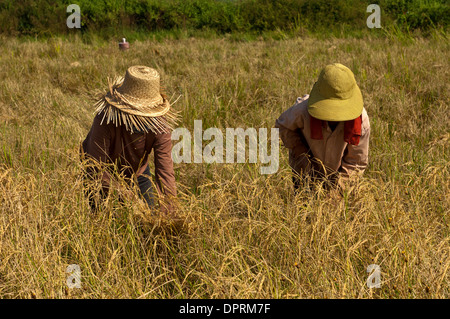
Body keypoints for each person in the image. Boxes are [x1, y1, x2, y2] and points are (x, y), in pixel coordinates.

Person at [81, 65, 178, 216]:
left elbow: (165, 172)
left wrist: (169, 213)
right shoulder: (105, 120)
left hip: (137, 170)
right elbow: (96, 167)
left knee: (147, 218)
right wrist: (128, 197)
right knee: (102, 220)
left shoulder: (160, 127)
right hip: (100, 171)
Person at [275, 63, 370, 192]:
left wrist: (338, 192)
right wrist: (301, 153)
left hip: (340, 173)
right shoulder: (302, 111)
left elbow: (356, 163)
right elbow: (283, 126)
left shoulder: (360, 121)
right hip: (304, 171)